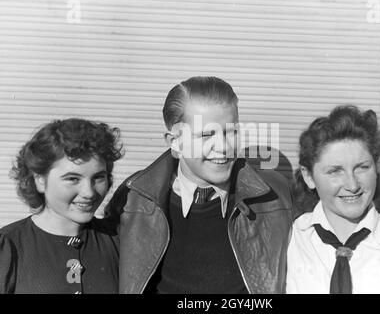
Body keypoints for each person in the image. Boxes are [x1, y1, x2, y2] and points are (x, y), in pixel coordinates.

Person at [104, 76, 293, 294]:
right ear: (175, 142)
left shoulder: (276, 194)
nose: (223, 146)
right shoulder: (133, 196)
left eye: (231, 132)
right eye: (206, 135)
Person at [287, 105, 380, 294]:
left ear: (376, 167)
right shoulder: (288, 242)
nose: (352, 185)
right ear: (309, 176)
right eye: (335, 171)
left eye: (362, 168)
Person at [0, 118, 123, 294]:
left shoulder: (120, 242)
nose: (89, 192)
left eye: (98, 177)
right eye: (72, 179)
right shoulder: (8, 247)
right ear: (40, 180)